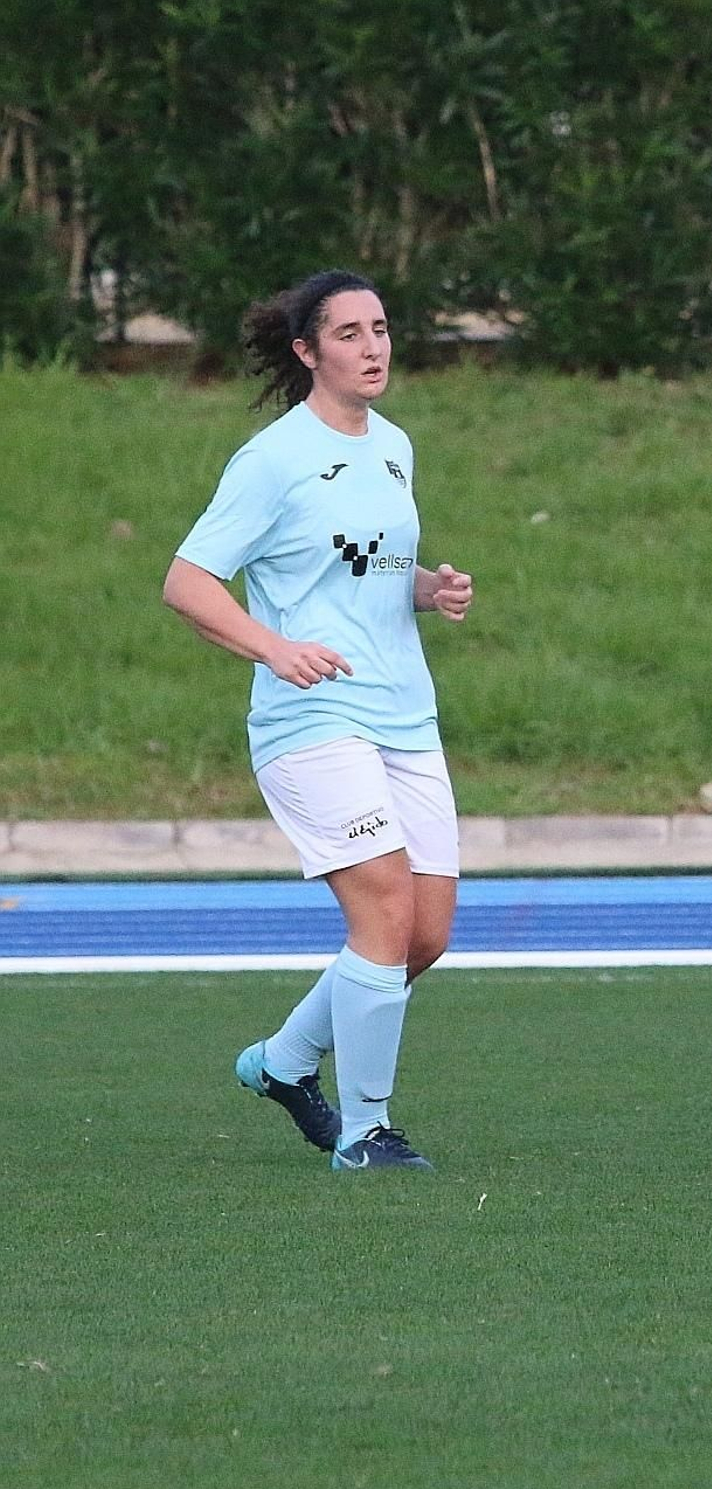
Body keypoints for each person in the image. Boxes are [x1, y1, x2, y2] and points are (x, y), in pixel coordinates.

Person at [162, 269, 473, 1173]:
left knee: (426, 934)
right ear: (307, 352)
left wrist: (428, 590)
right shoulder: (273, 458)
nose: (373, 347)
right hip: (311, 721)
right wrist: (273, 647)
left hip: (403, 716)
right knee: (382, 906)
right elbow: (187, 581)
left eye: (381, 329)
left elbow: (359, 573)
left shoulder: (396, 445)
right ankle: (365, 1131)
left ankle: (285, 1065)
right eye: (349, 334)